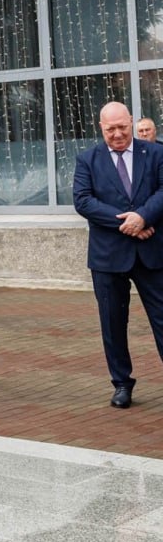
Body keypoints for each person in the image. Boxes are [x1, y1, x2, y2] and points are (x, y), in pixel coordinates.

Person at [72, 101, 163, 409]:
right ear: (101, 127)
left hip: (153, 254)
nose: (118, 134)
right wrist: (130, 223)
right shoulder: (88, 160)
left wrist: (144, 217)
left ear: (131, 122)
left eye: (122, 127)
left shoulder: (155, 153)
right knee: (112, 324)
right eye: (110, 129)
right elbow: (83, 201)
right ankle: (122, 384)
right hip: (108, 258)